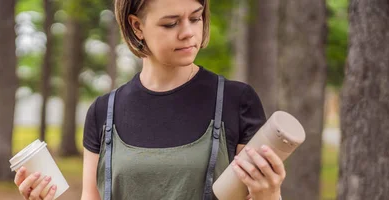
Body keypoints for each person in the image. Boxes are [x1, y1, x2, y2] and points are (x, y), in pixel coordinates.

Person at [14, 0, 287, 199]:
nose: (188, 32)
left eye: (196, 18)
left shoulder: (236, 101)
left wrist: (270, 193)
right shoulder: (103, 112)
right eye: (171, 23)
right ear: (137, 26)